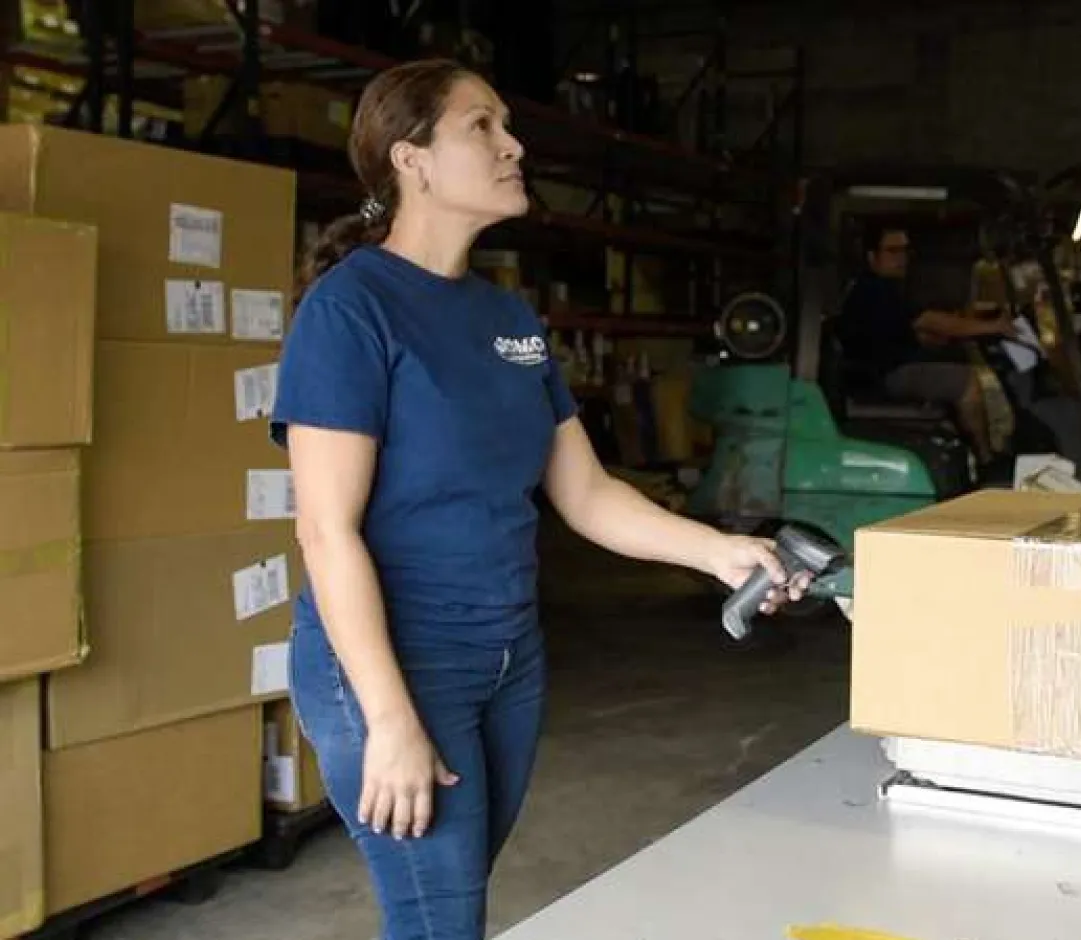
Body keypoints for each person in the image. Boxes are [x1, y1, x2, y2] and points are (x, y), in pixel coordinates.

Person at [269, 59, 808, 940]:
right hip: (399, 663)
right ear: (412, 160)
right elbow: (326, 532)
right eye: (481, 126)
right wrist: (390, 719)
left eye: (504, 122)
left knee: (448, 906)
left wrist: (719, 552)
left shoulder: (510, 319)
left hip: (509, 658)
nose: (513, 143)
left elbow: (585, 492)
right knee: (442, 921)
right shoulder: (350, 311)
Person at [835, 225, 1017, 460]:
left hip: (886, 368)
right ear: (872, 257)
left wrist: (944, 339)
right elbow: (930, 321)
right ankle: (986, 459)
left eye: (904, 251)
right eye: (892, 251)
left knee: (954, 361)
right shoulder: (875, 290)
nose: (901, 259)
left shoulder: (882, 289)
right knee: (967, 381)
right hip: (885, 375)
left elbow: (909, 331)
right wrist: (993, 327)